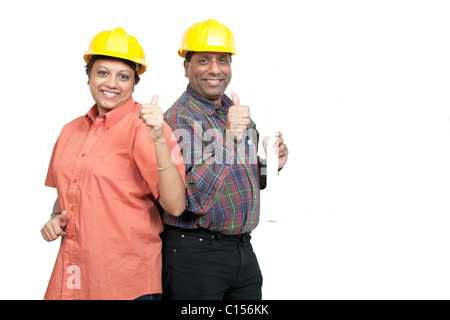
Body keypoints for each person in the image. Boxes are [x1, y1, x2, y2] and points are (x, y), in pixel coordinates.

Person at [40, 27, 186, 300]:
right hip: (73, 275)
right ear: (88, 76)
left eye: (123, 76)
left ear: (134, 82)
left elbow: (176, 205)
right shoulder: (70, 130)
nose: (112, 84)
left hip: (126, 282)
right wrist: (53, 218)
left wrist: (158, 140)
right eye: (102, 72)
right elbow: (68, 191)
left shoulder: (146, 126)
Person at [161, 19, 289, 300]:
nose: (215, 69)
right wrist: (229, 138)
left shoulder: (231, 108)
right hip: (195, 256)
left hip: (242, 252)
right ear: (186, 66)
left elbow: (243, 178)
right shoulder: (178, 119)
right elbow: (191, 200)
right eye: (203, 60)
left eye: (223, 60)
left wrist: (271, 165)